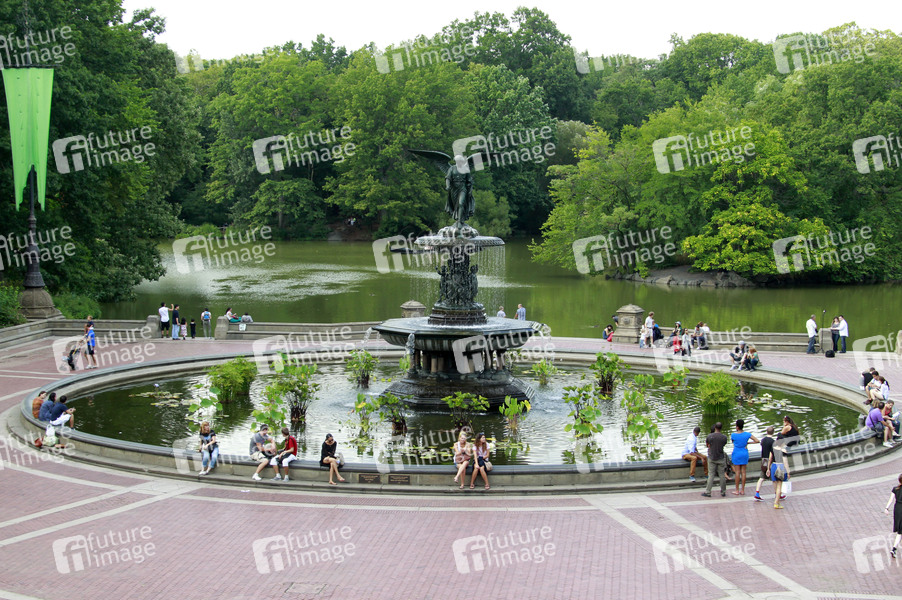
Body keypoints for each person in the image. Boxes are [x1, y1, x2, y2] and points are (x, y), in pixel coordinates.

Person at [731, 419, 759, 495]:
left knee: (737, 472)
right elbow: (757, 440)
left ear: (737, 427)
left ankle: (737, 490)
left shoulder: (733, 435)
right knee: (743, 472)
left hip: (737, 453)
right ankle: (742, 490)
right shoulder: (747, 434)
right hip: (744, 453)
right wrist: (748, 443)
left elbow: (733, 442)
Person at [702, 422, 729, 497]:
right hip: (720, 457)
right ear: (721, 428)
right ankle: (723, 491)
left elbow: (707, 445)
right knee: (722, 475)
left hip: (712, 457)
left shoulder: (710, 436)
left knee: (711, 475)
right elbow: (724, 444)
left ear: (715, 428)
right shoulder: (724, 437)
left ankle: (708, 491)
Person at [753, 426, 778, 501]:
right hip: (769, 461)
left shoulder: (763, 440)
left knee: (762, 477)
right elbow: (771, 454)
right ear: (773, 432)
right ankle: (777, 494)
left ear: (767, 432)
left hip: (764, 460)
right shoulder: (773, 442)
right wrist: (768, 468)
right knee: (774, 479)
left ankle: (757, 493)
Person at [883, 474, 902, 558]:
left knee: (900, 531)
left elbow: (891, 500)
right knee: (900, 532)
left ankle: (894, 549)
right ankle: (894, 548)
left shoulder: (895, 489)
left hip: (897, 510)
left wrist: (886, 508)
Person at [769, 440, 791, 509]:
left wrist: (768, 468)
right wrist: (788, 472)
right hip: (780, 467)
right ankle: (776, 503)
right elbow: (785, 462)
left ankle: (778, 502)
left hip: (773, 466)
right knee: (779, 486)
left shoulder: (772, 449)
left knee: (775, 485)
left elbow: (770, 459)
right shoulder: (783, 451)